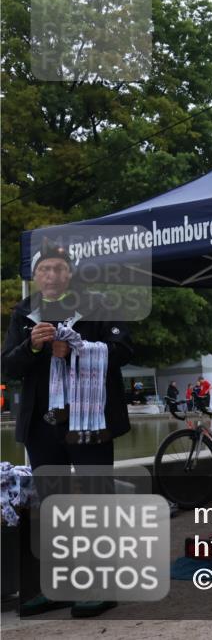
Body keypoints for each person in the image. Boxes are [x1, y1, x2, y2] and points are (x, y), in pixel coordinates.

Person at [1, 240, 132, 618]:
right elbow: (8, 366)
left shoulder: (100, 304)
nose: (53, 274)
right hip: (43, 425)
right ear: (36, 276)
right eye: (45, 269)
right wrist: (34, 347)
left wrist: (76, 348)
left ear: (70, 273)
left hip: (90, 420)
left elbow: (124, 350)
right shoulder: (24, 312)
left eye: (59, 268)